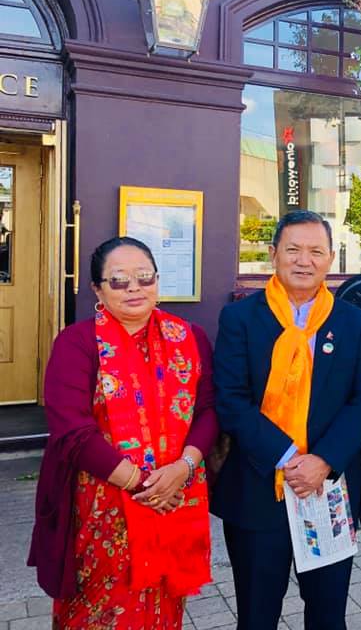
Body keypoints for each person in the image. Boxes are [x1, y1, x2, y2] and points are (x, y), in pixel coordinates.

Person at [28, 236, 218, 629]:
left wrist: (183, 468)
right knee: (99, 614)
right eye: (118, 280)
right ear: (98, 290)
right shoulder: (77, 344)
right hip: (103, 509)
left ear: (157, 281)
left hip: (175, 498)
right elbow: (73, 431)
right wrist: (144, 485)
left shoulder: (190, 338)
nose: (134, 287)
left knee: (163, 611)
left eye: (144, 276)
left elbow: (208, 410)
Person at [212, 210, 361, 630]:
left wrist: (323, 460)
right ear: (273, 254)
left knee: (327, 614)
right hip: (258, 488)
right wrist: (289, 457)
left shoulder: (355, 323)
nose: (304, 261)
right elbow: (231, 400)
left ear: (330, 259)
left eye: (316, 251)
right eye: (293, 249)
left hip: (328, 489)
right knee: (257, 615)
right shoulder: (240, 318)